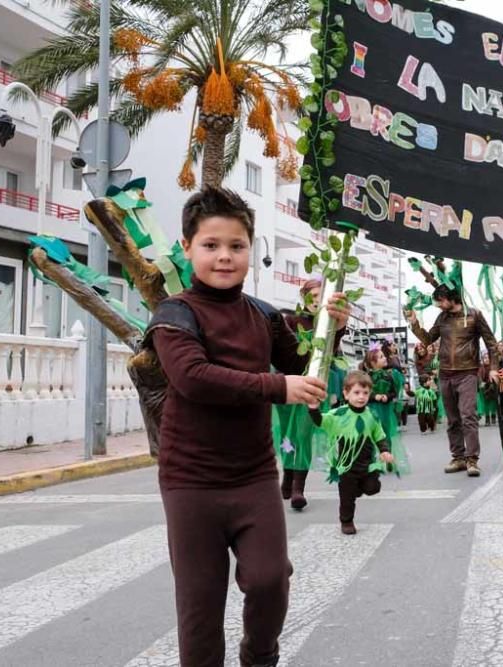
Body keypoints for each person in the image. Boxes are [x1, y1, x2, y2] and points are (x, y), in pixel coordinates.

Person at [145, 186, 350, 667]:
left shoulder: (264, 315)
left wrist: (330, 329)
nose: (224, 257)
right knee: (200, 604)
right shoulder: (174, 315)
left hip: (253, 475)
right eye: (211, 245)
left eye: (236, 246)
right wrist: (277, 388)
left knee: (269, 580)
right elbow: (193, 379)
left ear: (250, 250)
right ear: (187, 247)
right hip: (190, 481)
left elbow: (304, 364)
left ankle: (258, 656)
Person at [407, 285, 500, 477]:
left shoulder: (474, 315)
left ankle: (472, 460)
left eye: (441, 301)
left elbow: (491, 344)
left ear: (451, 298)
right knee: (453, 420)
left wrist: (493, 369)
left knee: (468, 416)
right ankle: (458, 457)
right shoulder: (442, 318)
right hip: (445, 374)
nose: (439, 305)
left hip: (467, 373)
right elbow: (428, 339)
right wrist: (415, 323)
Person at [275, 278, 345, 511]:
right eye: (311, 296)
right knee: (287, 436)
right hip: (288, 386)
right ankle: (288, 473)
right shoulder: (291, 320)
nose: (316, 301)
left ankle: (298, 488)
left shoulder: (329, 322)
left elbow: (331, 354)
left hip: (312, 388)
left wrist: (338, 328)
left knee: (303, 435)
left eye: (320, 297)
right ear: (303, 297)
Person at [310, 370, 395, 535]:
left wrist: (384, 450)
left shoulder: (371, 415)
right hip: (346, 466)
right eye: (356, 392)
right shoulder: (339, 414)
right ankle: (347, 521)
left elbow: (379, 435)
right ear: (346, 394)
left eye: (365, 393)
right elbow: (320, 420)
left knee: (373, 488)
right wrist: (313, 409)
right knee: (347, 498)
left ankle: (361, 487)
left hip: (366, 464)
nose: (361, 397)